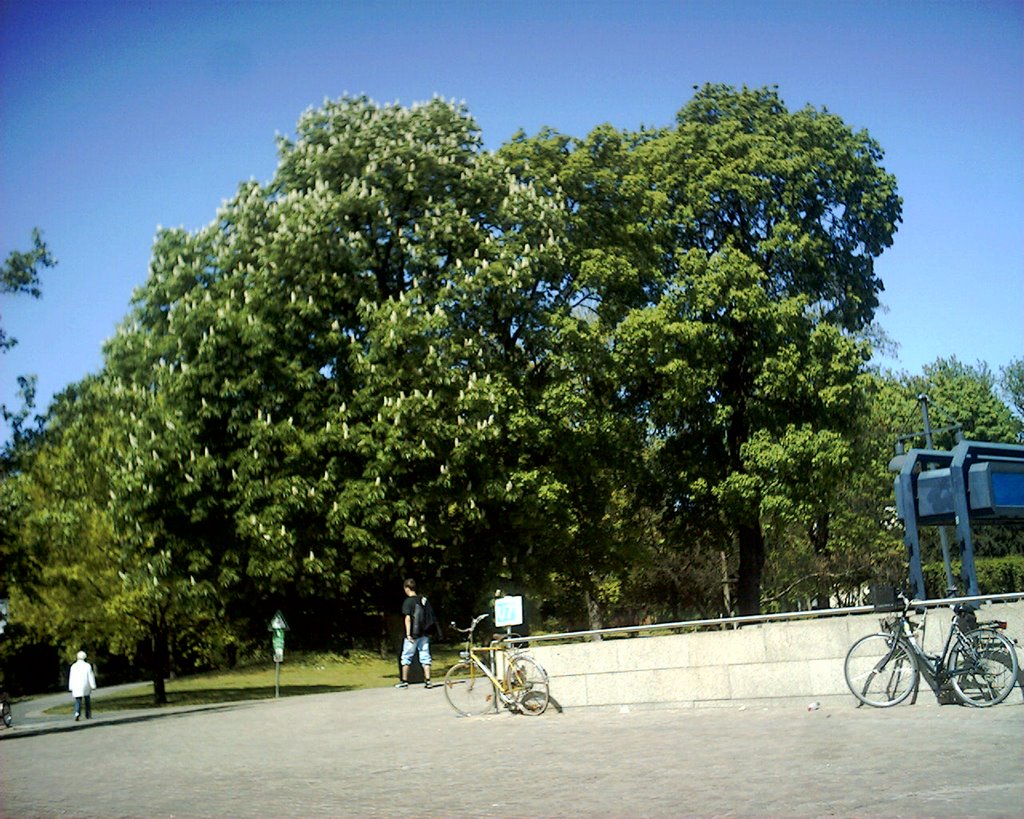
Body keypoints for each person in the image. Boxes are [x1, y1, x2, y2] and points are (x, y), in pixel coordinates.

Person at [396, 578, 432, 689]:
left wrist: (408, 634)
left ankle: (404, 681)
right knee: (425, 657)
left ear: (407, 588)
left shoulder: (408, 602)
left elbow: (408, 619)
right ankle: (428, 680)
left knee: (406, 657)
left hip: (412, 634)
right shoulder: (423, 600)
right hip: (424, 634)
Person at [68, 650, 97, 721]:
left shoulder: (73, 666)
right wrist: (93, 685)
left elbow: (71, 677)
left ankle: (77, 713)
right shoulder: (87, 666)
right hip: (85, 685)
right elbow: (90, 676)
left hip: (76, 686)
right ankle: (88, 714)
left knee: (78, 700)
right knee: (87, 699)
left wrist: (70, 687)